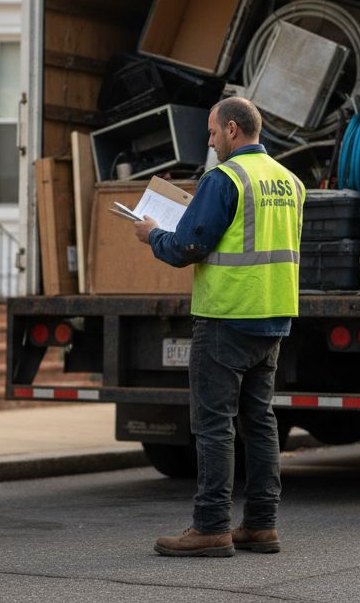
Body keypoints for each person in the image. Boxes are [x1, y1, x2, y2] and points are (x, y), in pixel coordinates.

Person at [132, 96, 304, 558]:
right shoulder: (290, 182)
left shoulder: (224, 179)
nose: (209, 141)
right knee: (260, 422)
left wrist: (152, 235)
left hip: (227, 315)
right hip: (272, 317)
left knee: (213, 426)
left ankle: (210, 526)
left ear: (232, 129)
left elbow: (189, 245)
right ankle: (262, 525)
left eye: (211, 133)